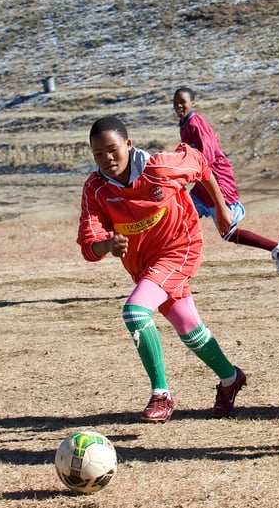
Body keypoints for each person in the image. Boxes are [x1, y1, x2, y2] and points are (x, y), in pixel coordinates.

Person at [77, 116, 248, 423]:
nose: (107, 158)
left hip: (180, 248)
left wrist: (221, 207)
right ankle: (230, 378)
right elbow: (89, 244)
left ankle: (161, 394)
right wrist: (108, 246)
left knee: (135, 312)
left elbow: (199, 162)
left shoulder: (161, 168)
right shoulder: (96, 189)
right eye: (98, 153)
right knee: (190, 330)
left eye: (113, 149)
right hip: (145, 265)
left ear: (129, 145)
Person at [173, 87, 279, 274]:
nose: (179, 105)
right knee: (179, 214)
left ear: (192, 103)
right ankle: (173, 264)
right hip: (203, 183)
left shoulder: (196, 124)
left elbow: (208, 157)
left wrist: (186, 171)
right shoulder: (185, 124)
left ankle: (277, 248)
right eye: (176, 102)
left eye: (183, 101)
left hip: (216, 181)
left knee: (227, 232)